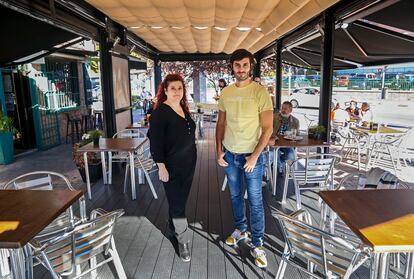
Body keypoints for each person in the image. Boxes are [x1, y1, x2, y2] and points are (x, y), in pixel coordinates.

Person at [216, 49, 273, 268]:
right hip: (230, 154)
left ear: (251, 67)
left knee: (256, 201)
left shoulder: (260, 92)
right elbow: (221, 124)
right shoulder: (226, 93)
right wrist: (218, 150)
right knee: (235, 196)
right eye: (237, 65)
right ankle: (240, 229)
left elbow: (267, 129)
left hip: (252, 157)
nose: (241, 69)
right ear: (232, 67)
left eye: (245, 65)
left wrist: (254, 157)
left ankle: (258, 243)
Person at [148, 74, 197, 262]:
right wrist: (161, 167)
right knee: (177, 205)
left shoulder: (183, 109)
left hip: (189, 164)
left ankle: (172, 226)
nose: (177, 91)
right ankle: (182, 241)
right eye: (173, 88)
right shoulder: (160, 112)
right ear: (166, 90)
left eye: (180, 88)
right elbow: (155, 142)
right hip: (171, 166)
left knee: (180, 201)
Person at [269, 101, 299, 174]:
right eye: (282, 108)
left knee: (291, 155)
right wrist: (272, 136)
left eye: (285, 108)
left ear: (290, 110)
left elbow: (297, 135)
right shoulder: (274, 117)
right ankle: (279, 169)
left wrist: (293, 137)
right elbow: (267, 130)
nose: (283, 110)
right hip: (274, 142)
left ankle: (280, 164)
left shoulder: (295, 121)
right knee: (275, 153)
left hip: (287, 144)